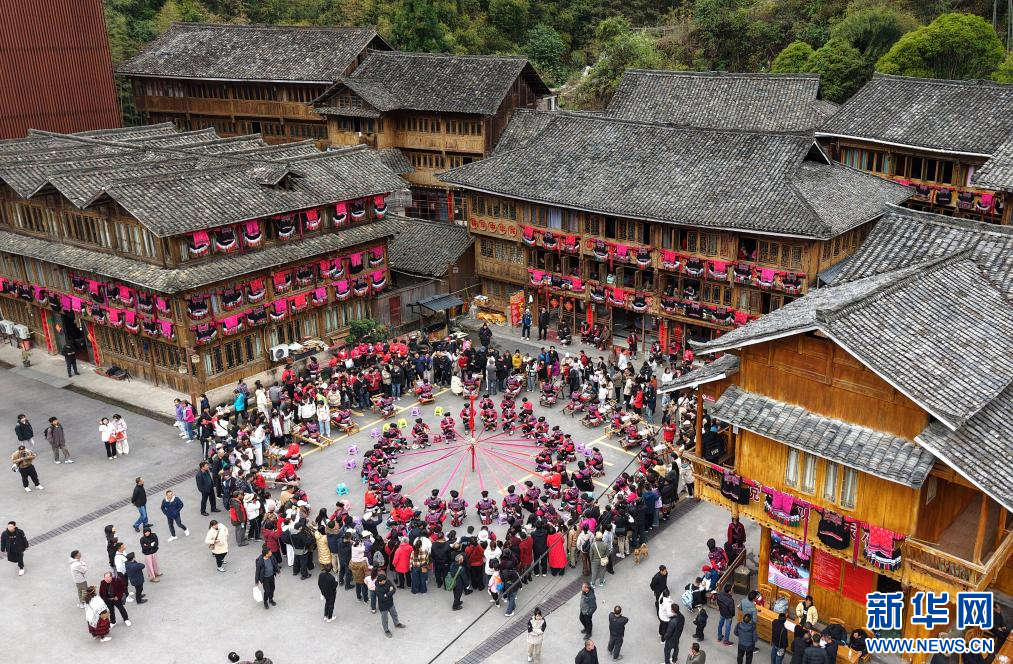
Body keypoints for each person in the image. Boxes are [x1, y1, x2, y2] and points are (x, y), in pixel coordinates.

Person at [375, 572, 406, 637]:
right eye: (383, 581)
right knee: (385, 619)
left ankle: (397, 623)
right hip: (383, 606)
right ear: (380, 581)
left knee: (394, 614)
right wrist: (389, 592)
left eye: (385, 580)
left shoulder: (387, 581)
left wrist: (387, 594)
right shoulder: (377, 589)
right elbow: (382, 598)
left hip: (390, 603)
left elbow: (394, 589)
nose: (385, 581)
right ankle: (386, 630)